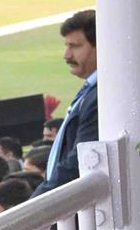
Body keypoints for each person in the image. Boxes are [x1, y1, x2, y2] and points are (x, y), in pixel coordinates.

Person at [35, 10, 98, 195]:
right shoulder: (91, 89)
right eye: (66, 46)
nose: (66, 55)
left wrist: (35, 203)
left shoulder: (101, 94)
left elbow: (77, 162)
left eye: (75, 46)